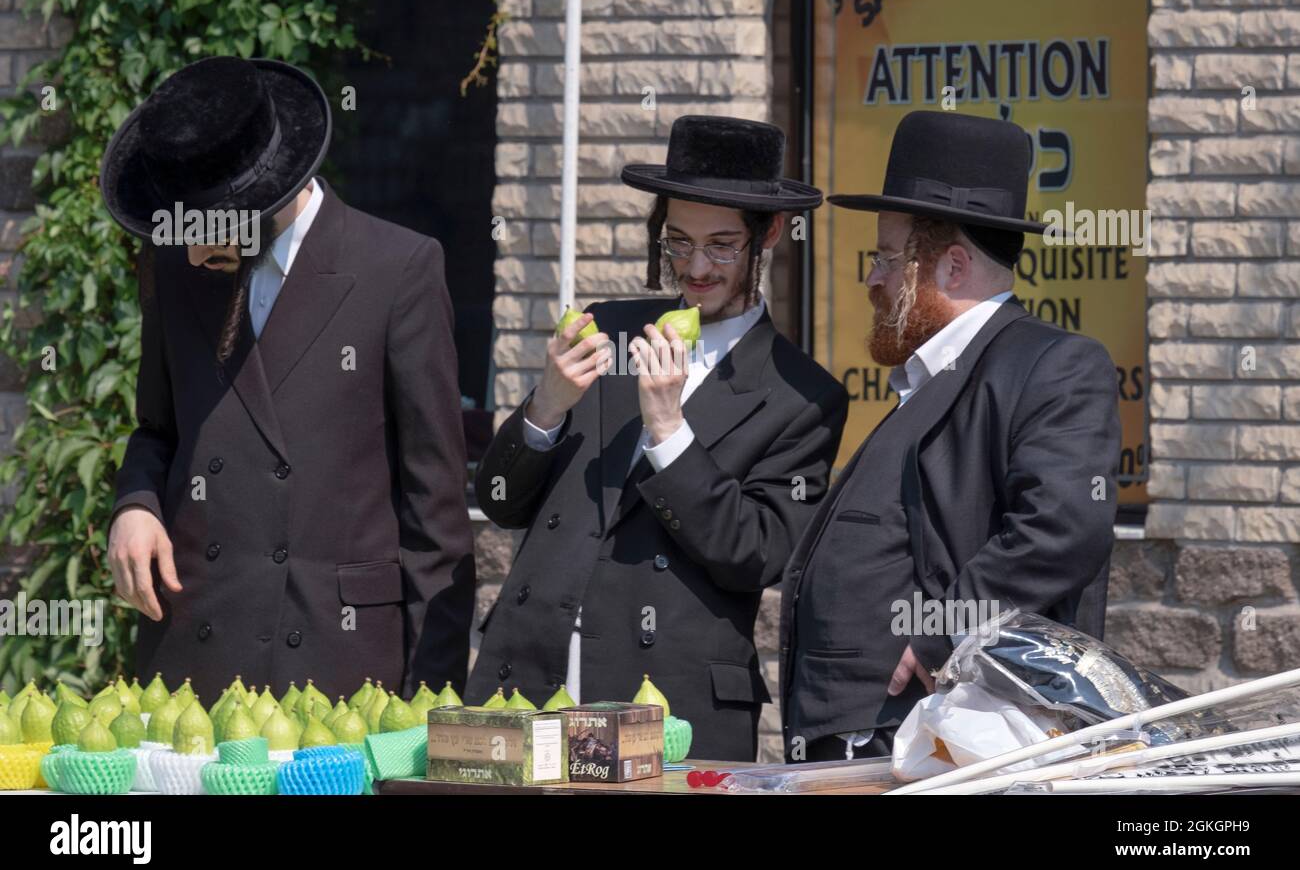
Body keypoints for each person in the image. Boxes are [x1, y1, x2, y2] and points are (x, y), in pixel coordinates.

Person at [470, 116, 848, 760]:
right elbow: (502, 500)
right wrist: (546, 408)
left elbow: (756, 554)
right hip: (531, 684)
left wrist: (670, 432)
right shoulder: (607, 331)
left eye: (723, 245)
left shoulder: (802, 395)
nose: (696, 267)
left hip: (670, 706)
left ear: (771, 234)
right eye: (678, 241)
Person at [101, 56, 475, 703]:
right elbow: (156, 429)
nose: (191, 252)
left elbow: (436, 512)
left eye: (209, 224)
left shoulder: (399, 268)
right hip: (193, 657)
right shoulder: (176, 259)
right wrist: (135, 505)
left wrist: (434, 706)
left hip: (341, 667)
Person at [779, 110, 1121, 762]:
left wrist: (939, 632)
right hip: (865, 741)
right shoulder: (931, 375)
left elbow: (1063, 527)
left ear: (953, 267)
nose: (871, 278)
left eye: (885, 257)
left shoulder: (1054, 364)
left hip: (944, 743)